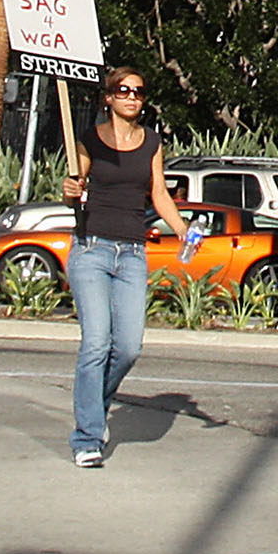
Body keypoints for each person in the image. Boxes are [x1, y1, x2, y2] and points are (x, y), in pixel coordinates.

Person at [61, 67, 188, 468]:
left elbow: (159, 193)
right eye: (123, 90)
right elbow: (74, 191)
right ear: (109, 98)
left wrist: (183, 230)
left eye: (138, 91)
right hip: (91, 248)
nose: (132, 96)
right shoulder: (88, 141)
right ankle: (87, 437)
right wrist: (70, 190)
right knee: (97, 342)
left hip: (132, 253)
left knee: (129, 347)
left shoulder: (151, 142)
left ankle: (94, 406)